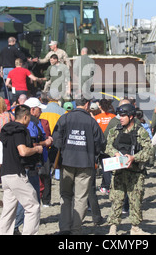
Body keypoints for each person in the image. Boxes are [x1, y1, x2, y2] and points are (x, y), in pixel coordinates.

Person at [52, 97, 105, 234]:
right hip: (85, 163)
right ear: (87, 104)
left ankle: (64, 227)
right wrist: (94, 155)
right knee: (81, 197)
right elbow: (100, 143)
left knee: (65, 195)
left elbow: (56, 139)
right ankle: (76, 228)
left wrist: (61, 152)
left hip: (67, 162)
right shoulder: (91, 121)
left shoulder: (65, 118)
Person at [106, 104, 152, 235]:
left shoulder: (140, 131)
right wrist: (114, 153)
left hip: (135, 174)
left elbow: (148, 150)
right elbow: (107, 146)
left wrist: (134, 157)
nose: (120, 118)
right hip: (119, 172)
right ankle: (113, 228)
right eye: (119, 115)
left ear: (131, 116)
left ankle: (135, 228)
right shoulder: (115, 130)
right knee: (116, 200)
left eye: (123, 115)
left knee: (135, 200)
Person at [0, 105, 44, 235]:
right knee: (32, 206)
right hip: (17, 174)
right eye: (29, 117)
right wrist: (37, 149)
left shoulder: (7, 129)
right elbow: (23, 151)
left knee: (8, 210)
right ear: (25, 116)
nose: (30, 120)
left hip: (5, 174)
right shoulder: (19, 130)